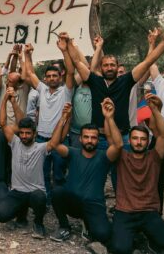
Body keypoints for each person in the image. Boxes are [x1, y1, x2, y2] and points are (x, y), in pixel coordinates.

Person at [109, 94, 164, 254]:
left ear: (148, 141)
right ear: (130, 141)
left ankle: (147, 234)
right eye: (135, 138)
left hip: (148, 212)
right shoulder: (121, 156)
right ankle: (128, 234)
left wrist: (155, 110)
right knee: (120, 250)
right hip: (125, 212)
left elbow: (163, 136)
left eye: (143, 139)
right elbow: (116, 141)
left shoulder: (154, 157)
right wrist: (110, 117)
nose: (139, 142)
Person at [0, 88, 69, 238]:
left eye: (27, 133)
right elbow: (3, 123)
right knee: (1, 215)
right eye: (22, 133)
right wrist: (6, 99)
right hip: (17, 192)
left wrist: (63, 118)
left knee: (39, 197)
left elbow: (55, 141)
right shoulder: (14, 142)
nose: (24, 136)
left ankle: (38, 222)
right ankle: (21, 217)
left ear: (34, 134)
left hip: (35, 193)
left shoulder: (41, 148)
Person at [49, 98, 123, 244]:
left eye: (93, 138)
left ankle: (88, 224)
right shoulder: (73, 153)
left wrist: (109, 118)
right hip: (73, 203)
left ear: (97, 140)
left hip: (94, 205)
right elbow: (54, 143)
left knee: (103, 235)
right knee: (57, 192)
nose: (90, 140)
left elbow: (119, 145)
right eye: (86, 137)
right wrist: (64, 118)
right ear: (81, 139)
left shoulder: (104, 156)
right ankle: (64, 226)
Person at [21, 34, 74, 200]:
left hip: (59, 140)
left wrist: (65, 50)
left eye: (55, 76)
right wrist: (28, 54)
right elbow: (29, 72)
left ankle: (59, 200)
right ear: (45, 78)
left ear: (60, 77)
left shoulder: (66, 91)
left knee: (59, 174)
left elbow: (71, 72)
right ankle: (46, 199)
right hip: (42, 139)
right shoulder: (42, 89)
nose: (51, 78)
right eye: (49, 76)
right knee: (42, 173)